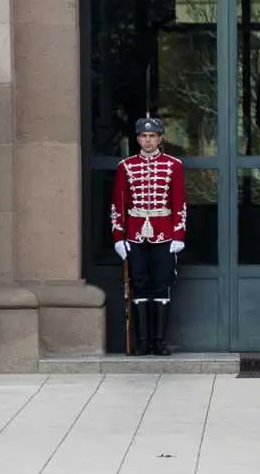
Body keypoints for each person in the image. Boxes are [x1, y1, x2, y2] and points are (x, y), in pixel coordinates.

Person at [110, 114, 186, 356]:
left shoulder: (174, 165)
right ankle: (143, 342)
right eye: (144, 136)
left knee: (162, 286)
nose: (148, 140)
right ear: (138, 139)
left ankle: (159, 342)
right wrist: (118, 237)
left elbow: (180, 203)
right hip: (134, 235)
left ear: (160, 138)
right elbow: (118, 205)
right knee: (140, 286)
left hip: (164, 234)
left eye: (153, 136)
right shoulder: (126, 166)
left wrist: (179, 234)